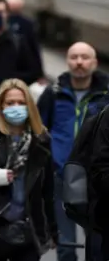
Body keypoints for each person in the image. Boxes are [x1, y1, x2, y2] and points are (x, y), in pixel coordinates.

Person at [0, 79, 57, 261]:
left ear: (30, 107)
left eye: (22, 103)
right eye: (10, 103)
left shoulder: (41, 142)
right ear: (0, 106)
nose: (16, 107)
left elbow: (47, 191)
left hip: (27, 231)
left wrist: (52, 230)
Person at [37, 41, 109, 261]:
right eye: (74, 57)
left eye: (85, 57)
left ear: (95, 62)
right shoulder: (53, 93)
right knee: (66, 244)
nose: (79, 62)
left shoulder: (106, 94)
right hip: (63, 176)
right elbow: (40, 130)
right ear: (67, 61)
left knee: (97, 240)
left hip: (98, 181)